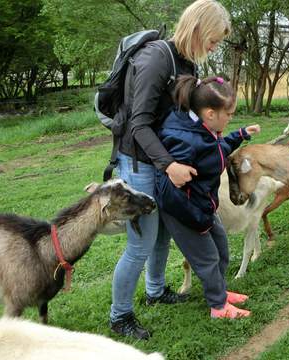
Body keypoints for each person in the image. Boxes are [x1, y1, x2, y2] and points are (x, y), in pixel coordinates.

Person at [109, 0, 231, 340]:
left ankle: (155, 290)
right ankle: (120, 316)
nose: (214, 46)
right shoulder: (155, 59)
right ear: (200, 28)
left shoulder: (186, 61)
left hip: (162, 163)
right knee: (141, 244)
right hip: (139, 162)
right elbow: (139, 125)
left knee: (162, 234)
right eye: (214, 39)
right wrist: (171, 165)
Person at [155, 75, 260, 319]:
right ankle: (218, 307)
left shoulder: (203, 130)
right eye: (230, 113)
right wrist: (196, 219)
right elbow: (171, 193)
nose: (231, 117)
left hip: (201, 206)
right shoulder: (185, 141)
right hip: (184, 211)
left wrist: (240, 134)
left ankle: (219, 291)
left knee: (221, 249)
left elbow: (216, 149)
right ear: (211, 113)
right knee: (207, 258)